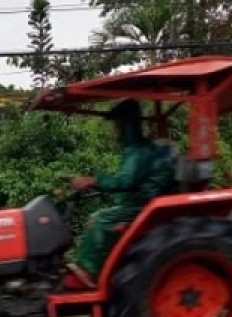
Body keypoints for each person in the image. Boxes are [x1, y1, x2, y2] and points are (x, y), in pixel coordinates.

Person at [65, 98, 177, 286]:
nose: (114, 130)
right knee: (100, 215)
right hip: (141, 201)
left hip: (143, 205)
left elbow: (125, 181)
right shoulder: (139, 149)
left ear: (126, 125)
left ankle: (87, 271)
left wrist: (93, 180)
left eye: (117, 125)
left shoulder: (138, 151)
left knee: (99, 219)